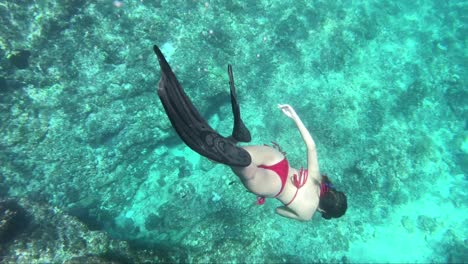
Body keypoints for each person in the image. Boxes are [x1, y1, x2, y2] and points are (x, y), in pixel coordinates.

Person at [153, 45, 347, 221]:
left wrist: (294, 115)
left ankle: (238, 137)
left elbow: (311, 146)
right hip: (272, 185)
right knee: (225, 156)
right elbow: (278, 211)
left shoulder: (317, 179)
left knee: (232, 152)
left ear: (331, 192)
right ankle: (172, 99)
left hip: (278, 160)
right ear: (325, 212)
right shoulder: (306, 215)